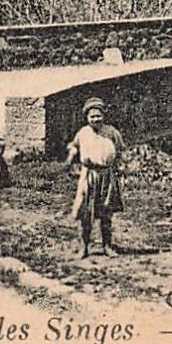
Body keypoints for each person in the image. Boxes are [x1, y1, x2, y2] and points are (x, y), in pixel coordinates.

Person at [66, 96, 125, 258]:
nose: (96, 119)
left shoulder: (111, 132)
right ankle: (84, 247)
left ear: (104, 116)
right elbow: (74, 145)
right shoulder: (83, 132)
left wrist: (119, 166)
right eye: (92, 116)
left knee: (106, 212)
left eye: (98, 116)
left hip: (107, 175)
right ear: (87, 118)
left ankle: (107, 246)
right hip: (88, 175)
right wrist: (72, 155)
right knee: (86, 213)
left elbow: (119, 150)